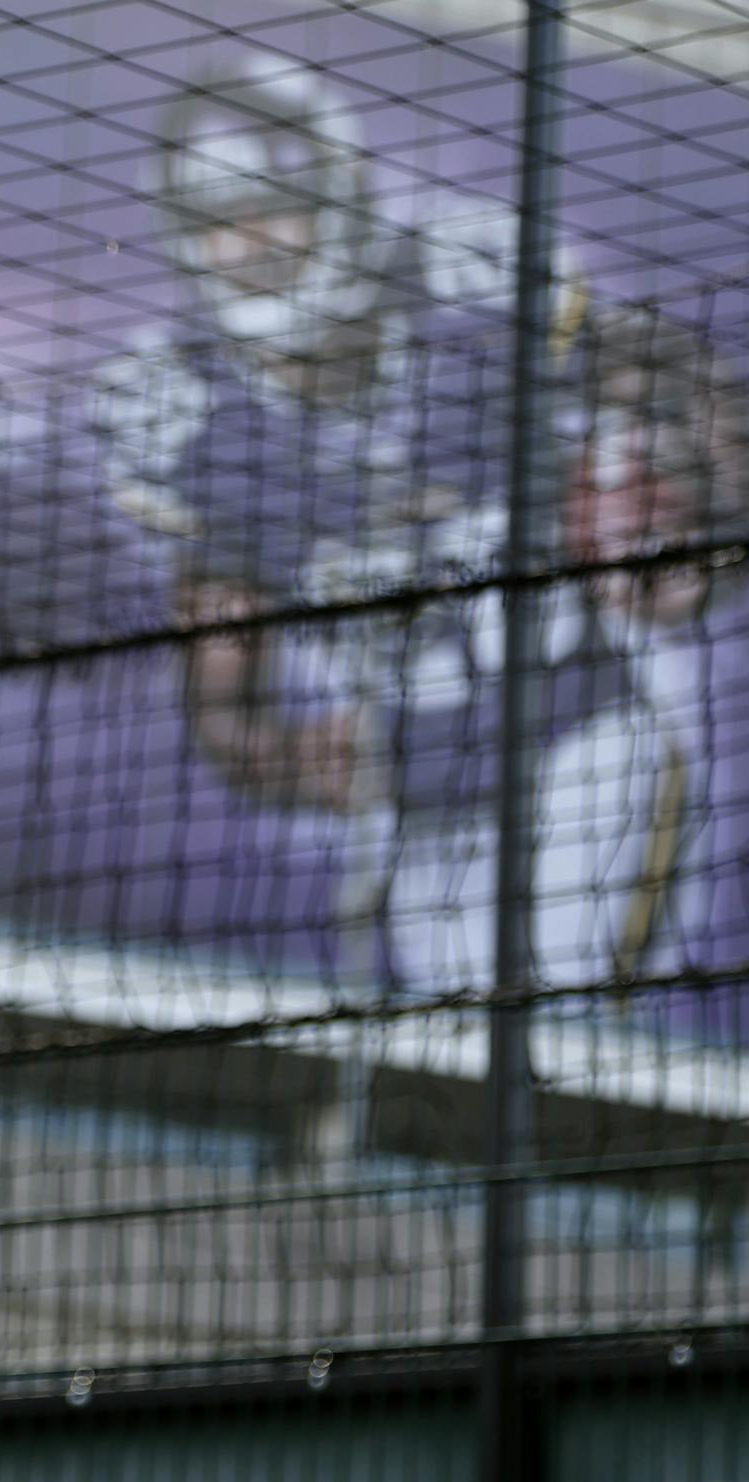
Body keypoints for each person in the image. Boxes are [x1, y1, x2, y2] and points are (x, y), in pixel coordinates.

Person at [178, 306, 748, 1000]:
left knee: (536, 1003)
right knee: (442, 1011)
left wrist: (656, 476)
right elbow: (223, 710)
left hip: (572, 774)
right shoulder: (240, 463)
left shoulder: (520, 390)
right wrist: (296, 760)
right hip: (424, 832)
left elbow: (685, 548)